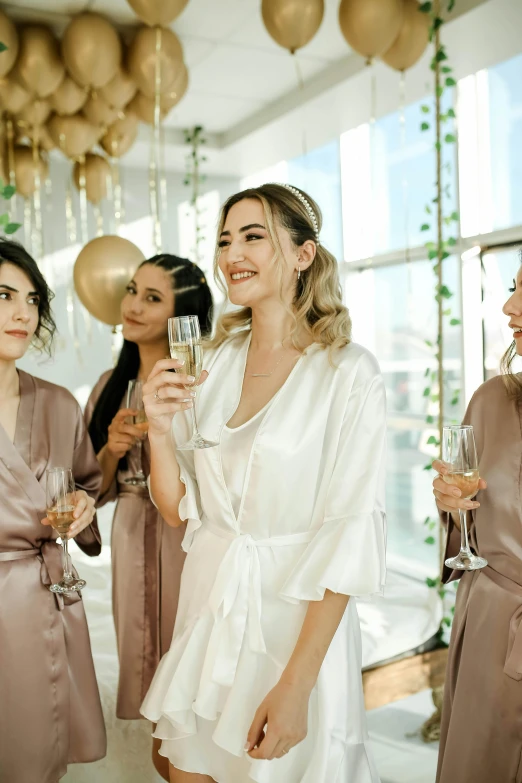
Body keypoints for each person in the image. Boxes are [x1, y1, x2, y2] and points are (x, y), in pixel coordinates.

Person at [140, 184, 387, 783]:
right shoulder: (214, 362)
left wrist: (298, 684)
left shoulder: (348, 372)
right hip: (211, 601)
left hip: (294, 620)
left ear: (303, 255)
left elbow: (350, 534)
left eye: (253, 236)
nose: (231, 254)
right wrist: (157, 427)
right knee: (183, 767)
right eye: (225, 239)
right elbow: (177, 511)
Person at [85, 254, 213, 779]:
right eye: (133, 290)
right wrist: (112, 449)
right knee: (143, 662)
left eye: (152, 298)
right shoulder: (107, 386)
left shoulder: (200, 383)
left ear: (181, 315)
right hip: (132, 529)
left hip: (186, 534)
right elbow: (89, 490)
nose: (133, 305)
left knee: (189, 668)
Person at [0, 239, 106, 782]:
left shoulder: (60, 403)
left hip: (44, 597)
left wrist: (84, 505)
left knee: (34, 761)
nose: (23, 312)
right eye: (4, 295)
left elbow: (87, 484)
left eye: (32, 299)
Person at [432, 261, 522, 783]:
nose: (510, 307)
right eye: (514, 289)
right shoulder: (492, 401)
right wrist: (450, 505)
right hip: (490, 628)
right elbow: (465, 522)